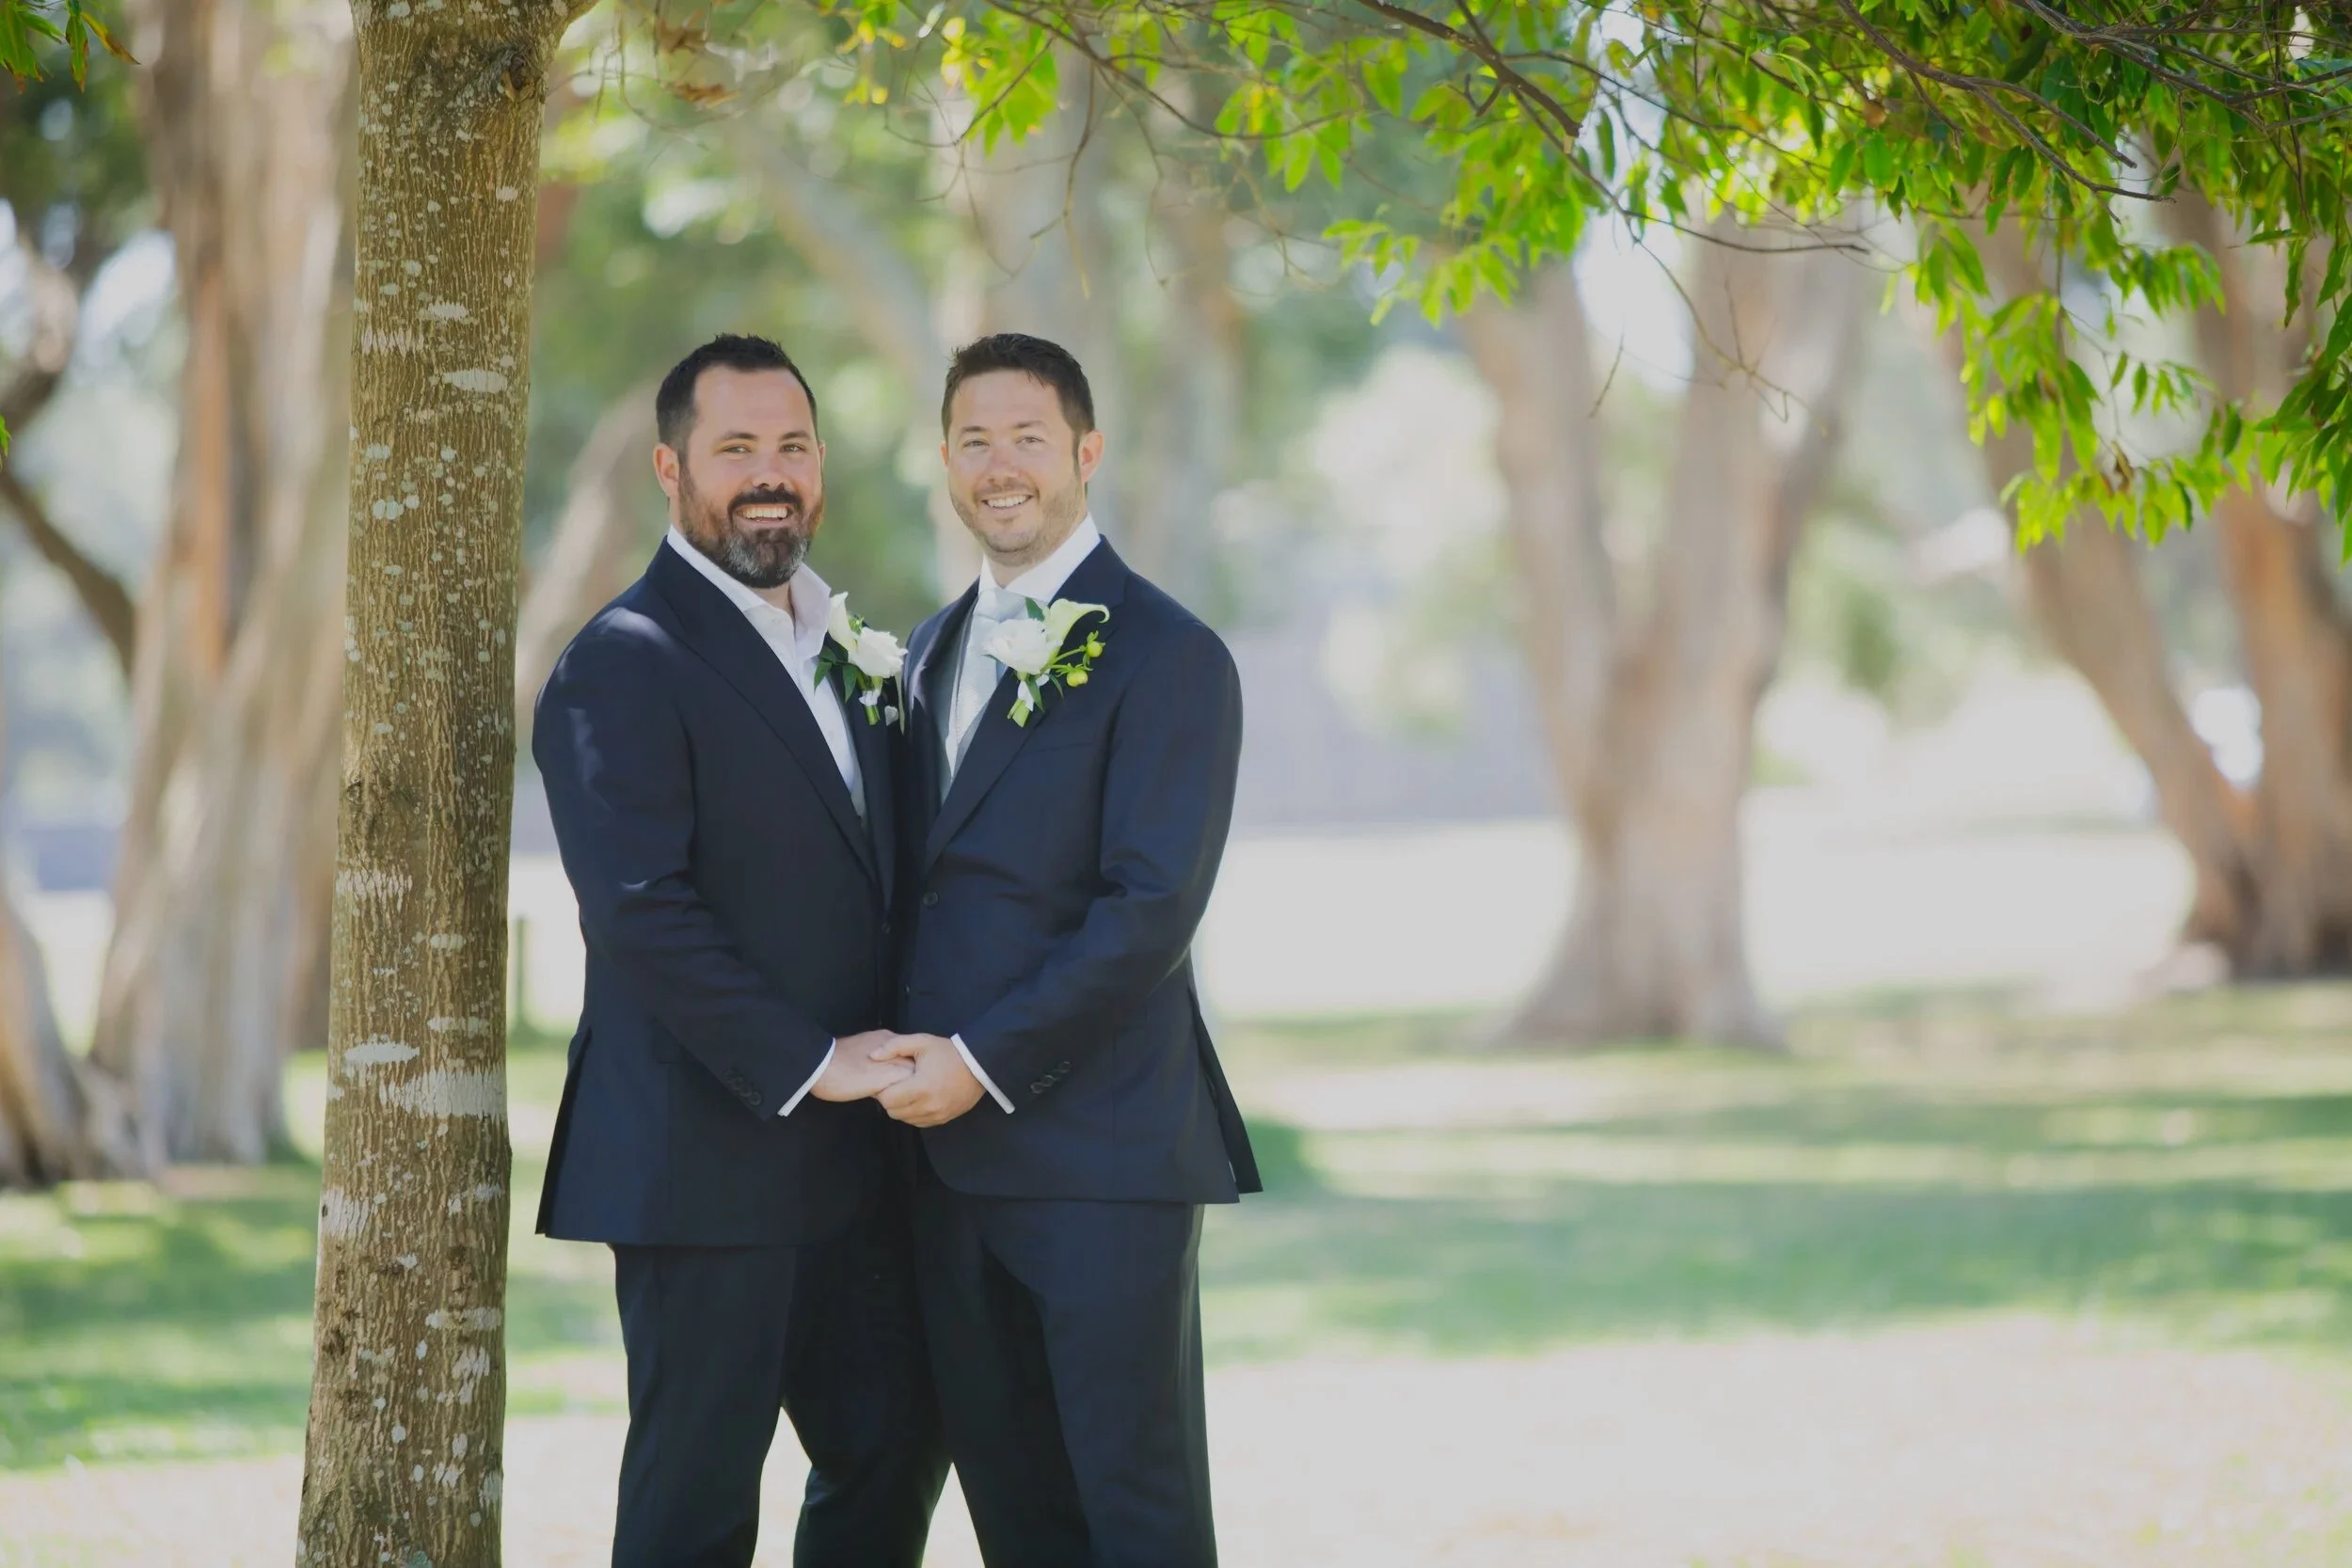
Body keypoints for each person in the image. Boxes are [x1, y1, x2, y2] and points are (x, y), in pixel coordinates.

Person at [532, 334, 946, 1568]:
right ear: (671, 468)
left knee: (892, 1451)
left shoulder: (853, 653)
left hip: (863, 1165)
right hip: (701, 1159)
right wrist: (813, 1059)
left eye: (793, 446)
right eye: (736, 449)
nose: (771, 474)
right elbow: (642, 910)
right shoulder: (621, 662)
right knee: (696, 1504)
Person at [876, 332, 1262, 1567]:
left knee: (1135, 1514)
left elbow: (1149, 908)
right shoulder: (924, 654)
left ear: (1086, 453)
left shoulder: (1169, 656)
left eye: (1028, 437)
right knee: (1017, 1518)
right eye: (975, 440)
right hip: (943, 1178)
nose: (1001, 465)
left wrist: (979, 1060)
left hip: (1104, 1164)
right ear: (944, 458)